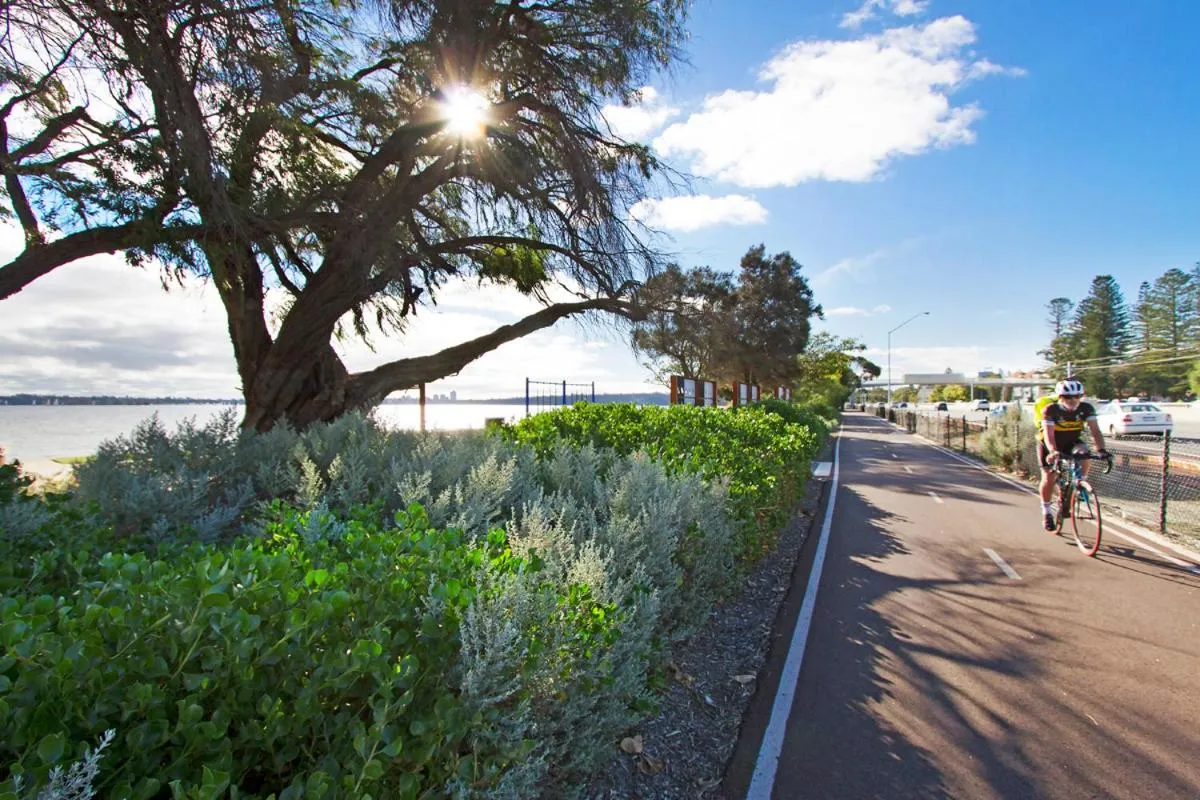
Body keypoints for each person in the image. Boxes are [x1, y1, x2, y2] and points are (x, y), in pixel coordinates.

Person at [1035, 379, 1108, 531]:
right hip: (1050, 444)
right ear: (1060, 397)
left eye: (1077, 396)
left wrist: (1101, 450)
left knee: (1085, 454)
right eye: (1068, 397)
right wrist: (1053, 451)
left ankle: (1080, 484)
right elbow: (1049, 435)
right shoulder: (1050, 410)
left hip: (1072, 441)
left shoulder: (1086, 408)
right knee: (1049, 477)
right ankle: (1046, 512)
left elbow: (1096, 431)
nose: (1073, 400)